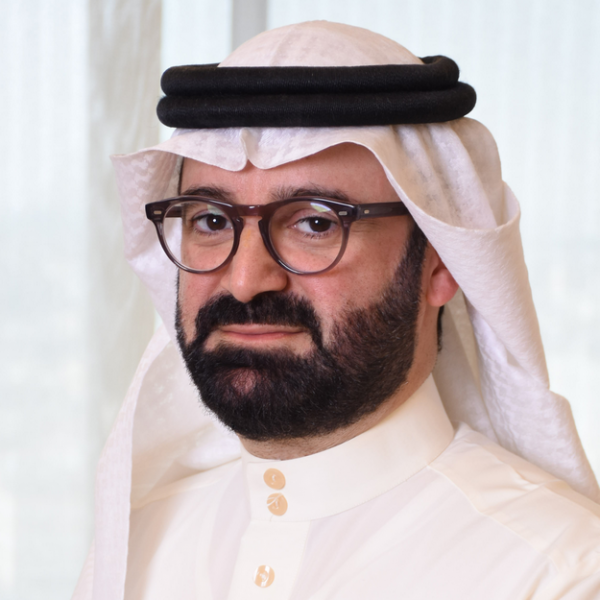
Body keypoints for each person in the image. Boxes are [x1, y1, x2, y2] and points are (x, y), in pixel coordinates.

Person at [72, 21, 600, 600]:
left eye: (315, 223)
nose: (245, 281)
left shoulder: (559, 572)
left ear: (441, 262)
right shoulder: (137, 547)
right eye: (212, 221)